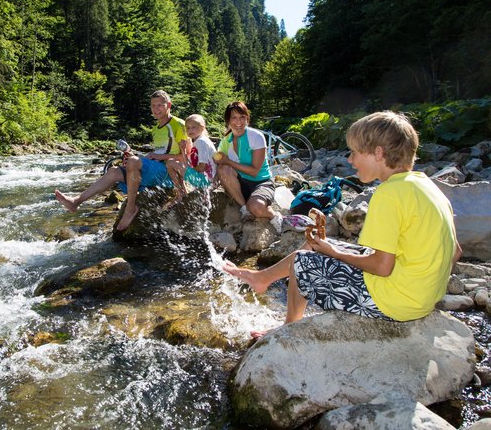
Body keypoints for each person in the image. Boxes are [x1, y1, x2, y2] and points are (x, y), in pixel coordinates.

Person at [223, 111, 462, 338]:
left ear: (378, 153)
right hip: (422, 298)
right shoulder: (428, 187)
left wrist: (333, 252)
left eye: (355, 153)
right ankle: (263, 278)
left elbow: (381, 267)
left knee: (302, 263)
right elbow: (456, 252)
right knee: (317, 246)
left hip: (394, 302)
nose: (350, 160)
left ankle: (289, 328)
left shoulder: (390, 193)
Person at [55, 90, 189, 231]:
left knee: (133, 161)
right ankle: (76, 201)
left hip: (168, 174)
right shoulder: (155, 129)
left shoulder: (179, 124)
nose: (156, 109)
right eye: (153, 106)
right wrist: (137, 156)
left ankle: (130, 208)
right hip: (156, 170)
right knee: (114, 171)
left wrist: (156, 157)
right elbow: (161, 152)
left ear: (169, 105)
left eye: (160, 105)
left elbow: (186, 158)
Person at [214, 101, 282, 233]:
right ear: (228, 121)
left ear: (247, 119)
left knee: (256, 208)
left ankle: (273, 215)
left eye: (242, 117)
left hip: (261, 182)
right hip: (240, 183)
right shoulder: (225, 141)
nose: (238, 122)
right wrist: (217, 175)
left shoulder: (256, 137)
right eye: (234, 118)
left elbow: (255, 171)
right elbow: (221, 165)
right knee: (222, 169)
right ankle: (244, 208)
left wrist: (228, 161)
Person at [164, 114, 217, 208]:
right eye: (188, 128)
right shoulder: (197, 142)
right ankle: (182, 192)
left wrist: (186, 171)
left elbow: (202, 167)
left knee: (170, 162)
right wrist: (183, 150)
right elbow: (188, 165)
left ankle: (181, 193)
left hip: (205, 181)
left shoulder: (201, 142)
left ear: (202, 128)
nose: (190, 130)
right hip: (203, 179)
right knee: (172, 163)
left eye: (194, 127)